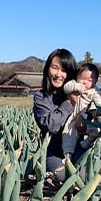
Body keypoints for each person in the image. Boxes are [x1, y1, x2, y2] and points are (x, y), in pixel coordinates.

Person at [33, 48, 78, 180]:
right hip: (54, 153)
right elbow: (50, 125)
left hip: (79, 150)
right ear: (47, 69)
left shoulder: (79, 93)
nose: (59, 74)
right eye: (55, 68)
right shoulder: (41, 97)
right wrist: (69, 104)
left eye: (64, 70)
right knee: (64, 176)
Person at [61, 63, 101, 161]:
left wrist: (95, 110)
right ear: (77, 77)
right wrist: (78, 87)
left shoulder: (95, 91)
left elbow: (98, 101)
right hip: (74, 116)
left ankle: (89, 141)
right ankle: (68, 154)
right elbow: (66, 88)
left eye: (90, 80)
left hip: (89, 118)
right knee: (68, 133)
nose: (85, 82)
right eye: (82, 78)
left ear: (96, 81)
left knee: (96, 130)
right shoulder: (73, 85)